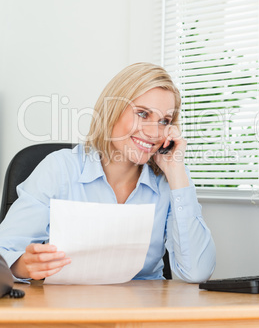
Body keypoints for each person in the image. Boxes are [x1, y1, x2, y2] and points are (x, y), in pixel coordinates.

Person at [0, 62, 216, 283]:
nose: (154, 132)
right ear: (112, 112)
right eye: (142, 114)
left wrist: (177, 172)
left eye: (164, 121)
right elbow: (4, 249)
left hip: (144, 309)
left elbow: (197, 273)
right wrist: (21, 266)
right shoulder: (60, 169)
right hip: (66, 306)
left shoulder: (169, 178)